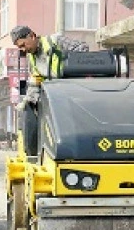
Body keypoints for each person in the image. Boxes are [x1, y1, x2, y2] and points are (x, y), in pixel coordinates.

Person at [10, 25, 90, 155]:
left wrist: (66, 64)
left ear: (32, 36)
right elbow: (36, 81)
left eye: (24, 45)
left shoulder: (55, 41)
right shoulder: (32, 58)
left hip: (71, 92)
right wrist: (28, 101)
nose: (24, 50)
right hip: (54, 98)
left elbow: (83, 48)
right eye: (20, 48)